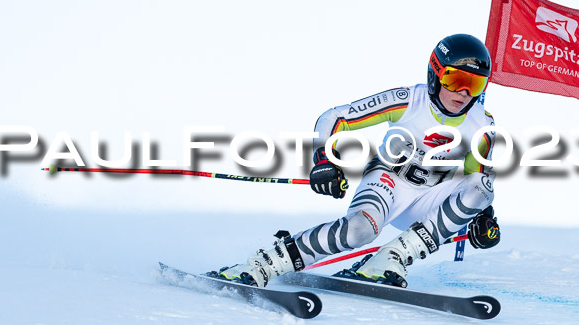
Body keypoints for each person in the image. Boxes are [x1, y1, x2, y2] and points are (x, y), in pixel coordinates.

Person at [214, 34, 501, 288]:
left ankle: (391, 258)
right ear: (435, 74)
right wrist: (324, 159)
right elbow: (335, 117)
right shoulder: (407, 101)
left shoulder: (482, 124)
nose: (464, 93)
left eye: (475, 84)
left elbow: (474, 178)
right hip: (389, 180)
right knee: (359, 231)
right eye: (455, 80)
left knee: (484, 186)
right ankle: (264, 264)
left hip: (429, 200)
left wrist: (482, 217)